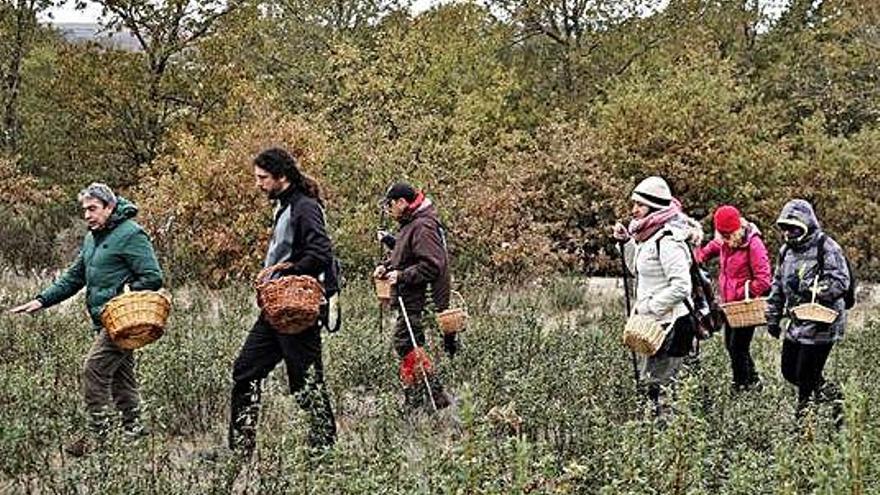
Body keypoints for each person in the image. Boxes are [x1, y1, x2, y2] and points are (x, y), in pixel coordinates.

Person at [9, 183, 163, 457]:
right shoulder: (93, 237)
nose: (88, 215)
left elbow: (152, 276)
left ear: (110, 207)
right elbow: (74, 276)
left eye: (93, 208)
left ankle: (101, 440)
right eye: (85, 210)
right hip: (105, 320)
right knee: (121, 379)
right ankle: (135, 435)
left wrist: (123, 293)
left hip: (121, 321)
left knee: (94, 369)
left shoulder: (131, 234)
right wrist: (42, 300)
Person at [226, 148, 337, 457]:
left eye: (263, 178)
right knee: (245, 372)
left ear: (282, 177)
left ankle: (325, 453)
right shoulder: (283, 206)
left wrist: (291, 272)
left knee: (306, 385)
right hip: (276, 310)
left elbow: (321, 252)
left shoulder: (305, 208)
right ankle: (241, 450)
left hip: (297, 309)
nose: (258, 184)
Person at [613, 176, 702, 416]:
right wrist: (626, 243)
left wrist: (650, 306)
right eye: (634, 204)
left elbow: (682, 286)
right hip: (654, 324)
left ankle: (670, 442)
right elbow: (636, 270)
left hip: (674, 325)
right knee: (649, 383)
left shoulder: (669, 240)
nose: (634, 210)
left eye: (639, 205)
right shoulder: (647, 237)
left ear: (654, 207)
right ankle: (654, 437)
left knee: (663, 388)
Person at [373, 182, 457, 411]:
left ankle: (433, 395)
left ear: (402, 202)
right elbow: (405, 255)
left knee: (405, 342)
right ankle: (417, 397)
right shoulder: (410, 224)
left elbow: (432, 266)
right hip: (410, 296)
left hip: (420, 298)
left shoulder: (422, 226)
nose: (389, 211)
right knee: (408, 343)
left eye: (390, 205)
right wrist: (387, 266)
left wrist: (401, 275)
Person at [766, 199, 848, 425]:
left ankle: (803, 426)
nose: (789, 232)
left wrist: (814, 289)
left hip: (823, 322)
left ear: (806, 225)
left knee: (805, 376)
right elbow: (777, 285)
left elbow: (841, 281)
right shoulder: (785, 252)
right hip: (797, 320)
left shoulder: (826, 246)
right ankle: (838, 400)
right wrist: (772, 317)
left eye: (794, 227)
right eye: (785, 227)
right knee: (789, 370)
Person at [696, 205, 771, 391]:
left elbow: (764, 281)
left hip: (744, 305)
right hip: (730, 306)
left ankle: (741, 387)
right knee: (732, 346)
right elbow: (715, 246)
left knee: (738, 348)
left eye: (728, 235)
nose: (725, 239)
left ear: (737, 229)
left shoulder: (753, 244)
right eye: (722, 235)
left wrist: (741, 291)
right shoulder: (725, 240)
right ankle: (753, 382)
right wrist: (700, 256)